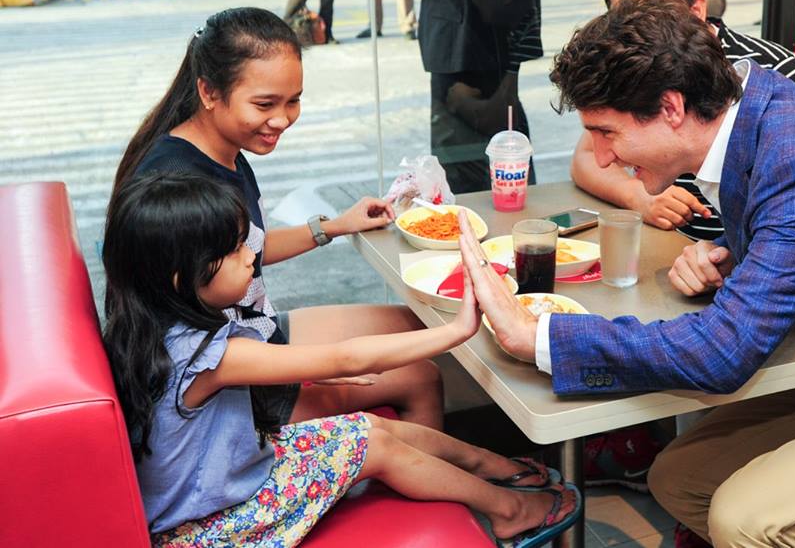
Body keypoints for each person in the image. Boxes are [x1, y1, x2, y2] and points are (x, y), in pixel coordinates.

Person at [459, 0, 795, 547]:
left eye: (607, 132)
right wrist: (732, 248)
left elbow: (724, 353)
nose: (601, 157)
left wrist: (541, 337)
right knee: (678, 480)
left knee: (743, 520)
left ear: (671, 108)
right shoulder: (750, 113)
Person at [102, 172, 581, 545]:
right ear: (180, 278)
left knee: (374, 428)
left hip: (227, 479)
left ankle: (487, 464)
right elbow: (346, 358)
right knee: (374, 447)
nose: (251, 254)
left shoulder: (152, 325)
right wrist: (458, 328)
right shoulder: (204, 355)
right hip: (214, 526)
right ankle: (509, 512)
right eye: (232, 250)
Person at [107, 7, 443, 435]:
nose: (282, 119)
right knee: (422, 377)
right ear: (209, 91)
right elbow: (192, 347)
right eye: (265, 104)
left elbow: (249, 247)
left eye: (293, 100)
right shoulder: (179, 184)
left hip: (255, 332)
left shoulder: (223, 145)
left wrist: (335, 226)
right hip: (225, 392)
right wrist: (307, 368)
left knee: (417, 323)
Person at [571, 0, 795, 242]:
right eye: (622, 21)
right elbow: (586, 158)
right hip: (668, 245)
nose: (633, 32)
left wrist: (722, 253)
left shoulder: (778, 75)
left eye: (651, 14)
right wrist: (639, 197)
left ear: (696, 10)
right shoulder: (632, 70)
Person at [403, 0, 541, 194]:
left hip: (466, 28)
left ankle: (475, 227)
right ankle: (510, 215)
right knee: (502, 140)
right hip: (483, 23)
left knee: (466, 153)